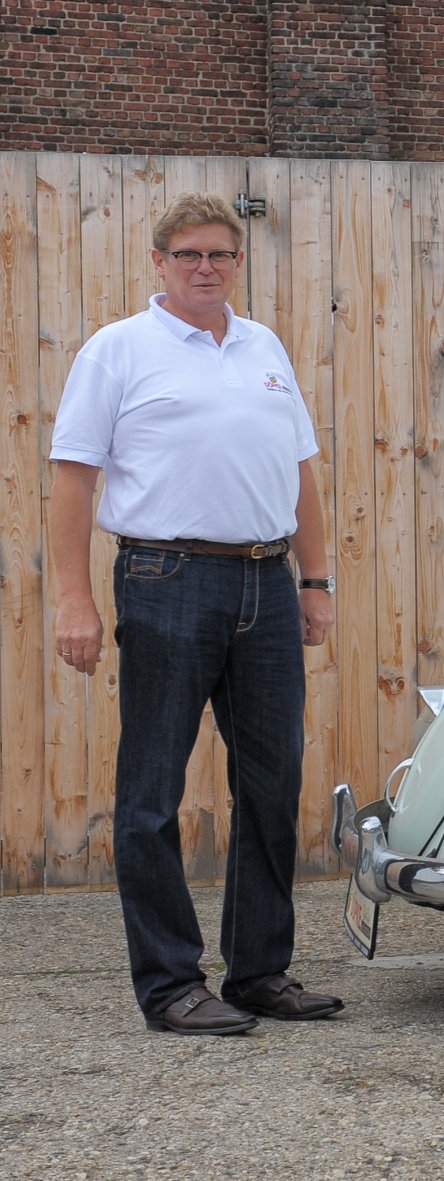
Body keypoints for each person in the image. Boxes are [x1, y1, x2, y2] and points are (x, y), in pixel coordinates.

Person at [49, 192, 343, 1036]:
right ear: (159, 262)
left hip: (266, 582)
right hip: (165, 576)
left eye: (219, 254)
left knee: (272, 784)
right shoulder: (118, 350)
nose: (205, 267)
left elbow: (300, 471)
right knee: (151, 792)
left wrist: (315, 580)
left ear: (238, 262)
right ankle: (171, 983)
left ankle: (258, 971)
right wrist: (74, 597)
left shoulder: (264, 348)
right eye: (188, 255)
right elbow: (73, 479)